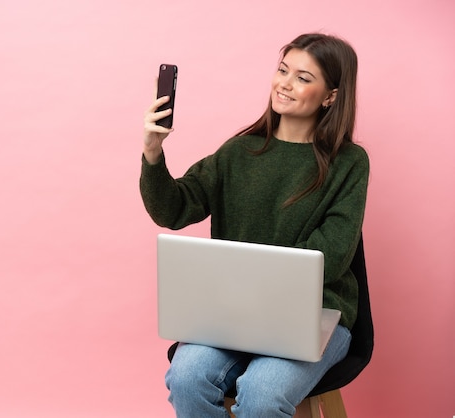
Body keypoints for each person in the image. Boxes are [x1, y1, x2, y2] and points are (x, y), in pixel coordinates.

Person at [139, 33, 369, 417]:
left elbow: (332, 252)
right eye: (283, 70)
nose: (285, 83)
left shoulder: (349, 163)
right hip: (234, 313)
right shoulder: (239, 152)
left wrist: (258, 287)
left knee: (262, 392)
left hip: (313, 315)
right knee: (186, 377)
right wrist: (152, 151)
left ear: (330, 96)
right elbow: (173, 210)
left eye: (303, 77)